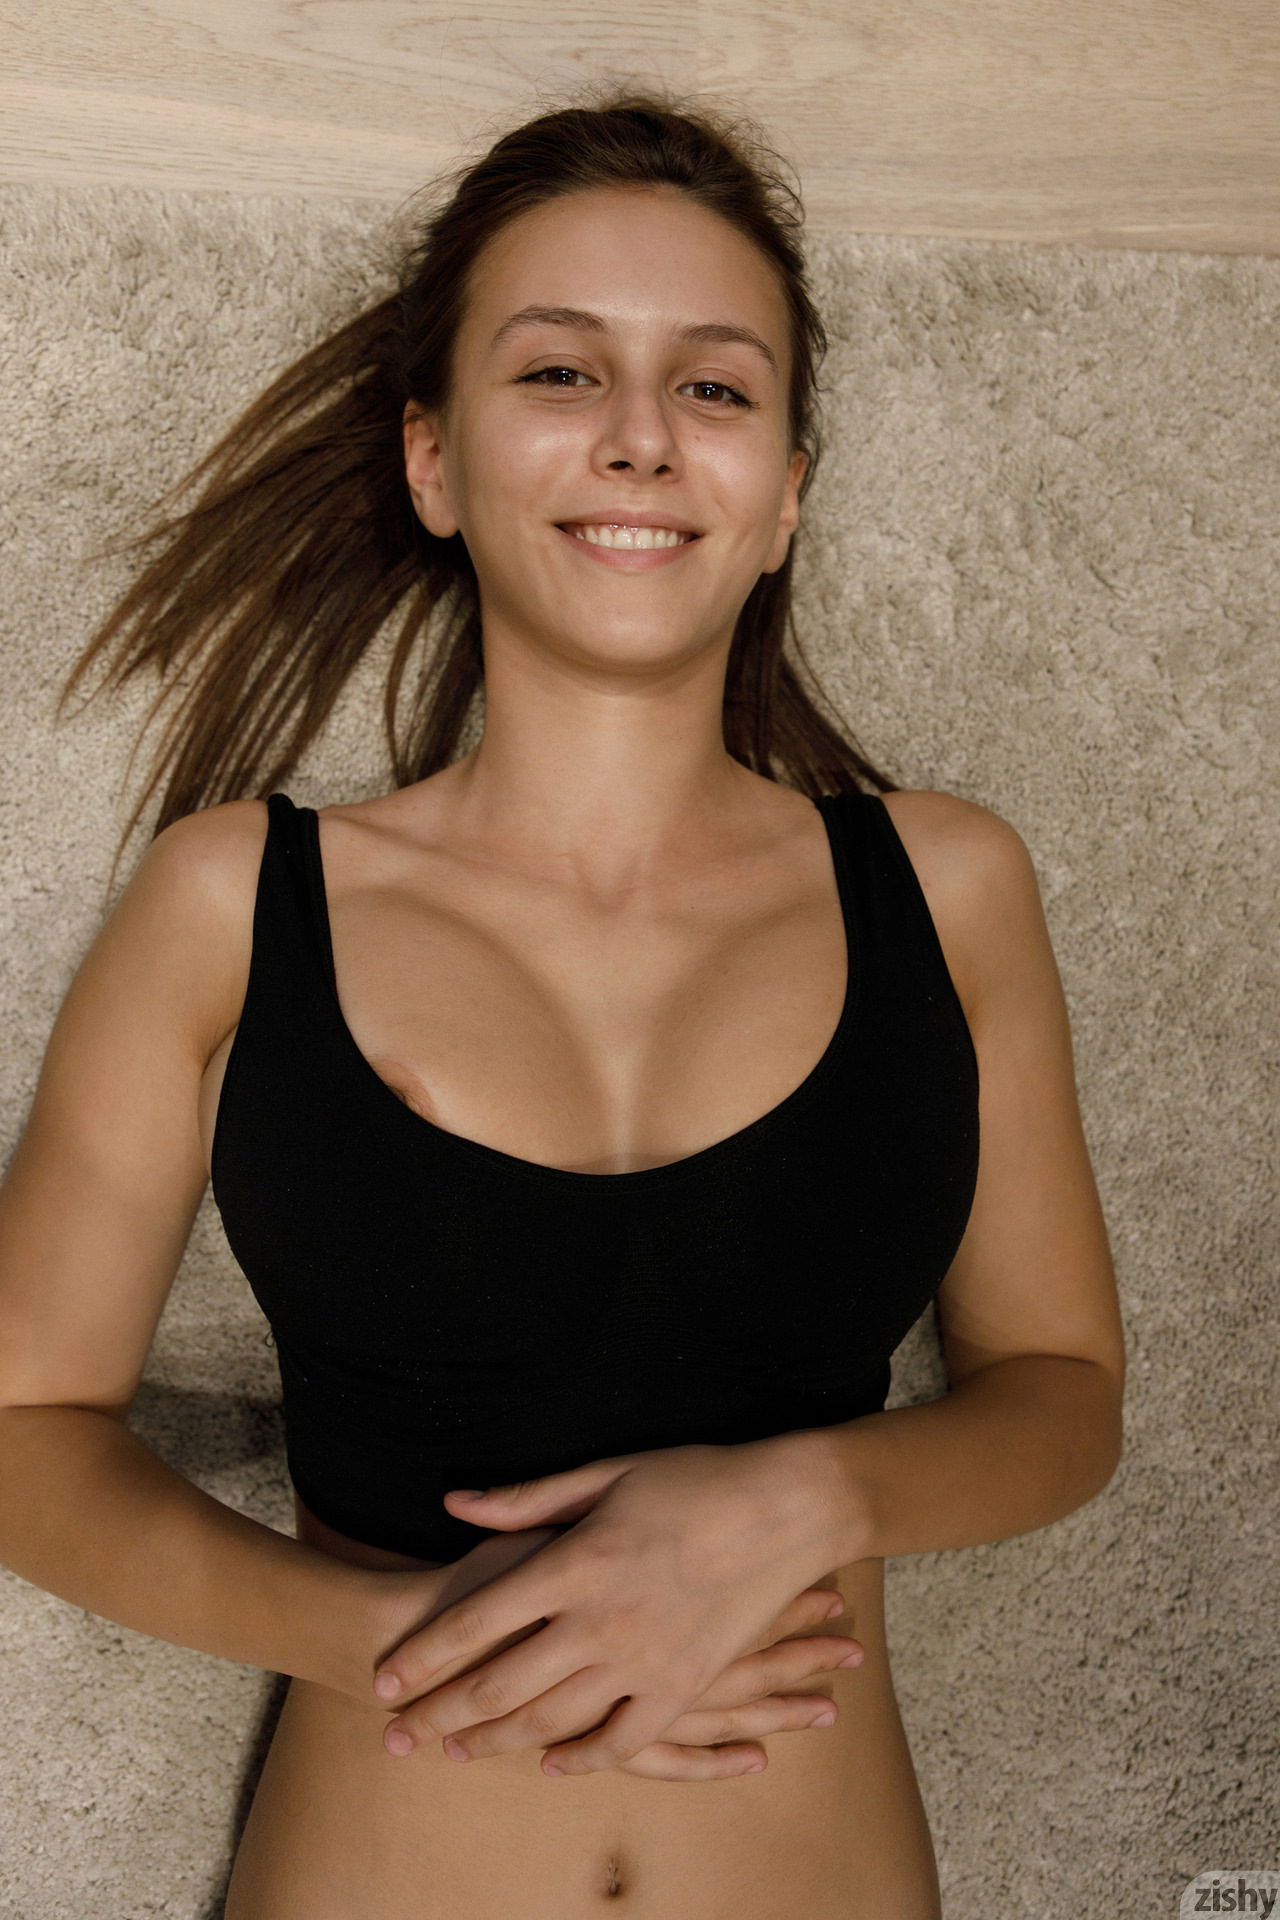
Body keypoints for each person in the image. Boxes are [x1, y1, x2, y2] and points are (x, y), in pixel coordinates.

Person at [0, 94, 1125, 1919]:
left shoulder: (948, 889)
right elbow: (23, 1432)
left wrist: (799, 1502)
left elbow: (1063, 1396)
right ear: (434, 464)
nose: (639, 436)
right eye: (558, 372)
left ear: (784, 493)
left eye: (713, 386)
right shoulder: (234, 905)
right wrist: (408, 1642)